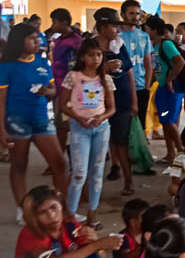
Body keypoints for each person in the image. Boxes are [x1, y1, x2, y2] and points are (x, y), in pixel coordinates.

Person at [0, 23, 68, 218]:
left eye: (37, 38)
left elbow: (54, 90)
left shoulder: (43, 62)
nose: (37, 41)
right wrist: (2, 130)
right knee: (19, 165)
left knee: (60, 163)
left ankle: (61, 208)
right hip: (16, 121)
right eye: (31, 38)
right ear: (19, 41)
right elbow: (1, 100)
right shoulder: (6, 66)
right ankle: (24, 209)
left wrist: (48, 92)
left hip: (41, 119)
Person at [59, 38, 116, 227]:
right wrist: (78, 118)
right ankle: (71, 215)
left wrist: (102, 117)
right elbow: (62, 104)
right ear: (82, 57)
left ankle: (93, 214)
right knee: (79, 173)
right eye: (91, 55)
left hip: (101, 128)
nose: (95, 58)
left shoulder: (105, 79)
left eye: (99, 54)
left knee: (97, 172)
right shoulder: (73, 76)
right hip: (79, 129)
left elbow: (111, 108)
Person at [94, 14, 138, 195]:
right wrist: (104, 67)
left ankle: (128, 181)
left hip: (122, 98)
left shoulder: (119, 45)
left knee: (122, 141)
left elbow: (129, 73)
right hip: (96, 101)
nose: (118, 30)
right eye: (114, 26)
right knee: (96, 146)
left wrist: (134, 100)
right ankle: (90, 188)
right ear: (103, 27)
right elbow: (80, 71)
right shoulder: (89, 46)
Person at [146, 17, 185, 166]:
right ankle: (171, 154)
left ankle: (182, 151)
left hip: (171, 88)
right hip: (163, 87)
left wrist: (170, 78)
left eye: (148, 29)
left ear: (154, 30)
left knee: (169, 121)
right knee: (165, 120)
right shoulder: (156, 45)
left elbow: (180, 61)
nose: (146, 32)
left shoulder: (166, 44)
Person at [49, 8, 82, 154]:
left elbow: (79, 65)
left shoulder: (76, 42)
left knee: (65, 125)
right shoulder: (57, 40)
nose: (52, 25)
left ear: (63, 22)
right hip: (57, 87)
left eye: (54, 22)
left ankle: (60, 159)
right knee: (60, 125)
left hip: (70, 90)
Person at [119, 0, 154, 127]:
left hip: (141, 87)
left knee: (139, 127)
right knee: (122, 128)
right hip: (121, 86)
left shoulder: (144, 36)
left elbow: (148, 64)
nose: (135, 17)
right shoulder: (116, 36)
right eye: (131, 13)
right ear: (123, 14)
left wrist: (147, 87)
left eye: (137, 14)